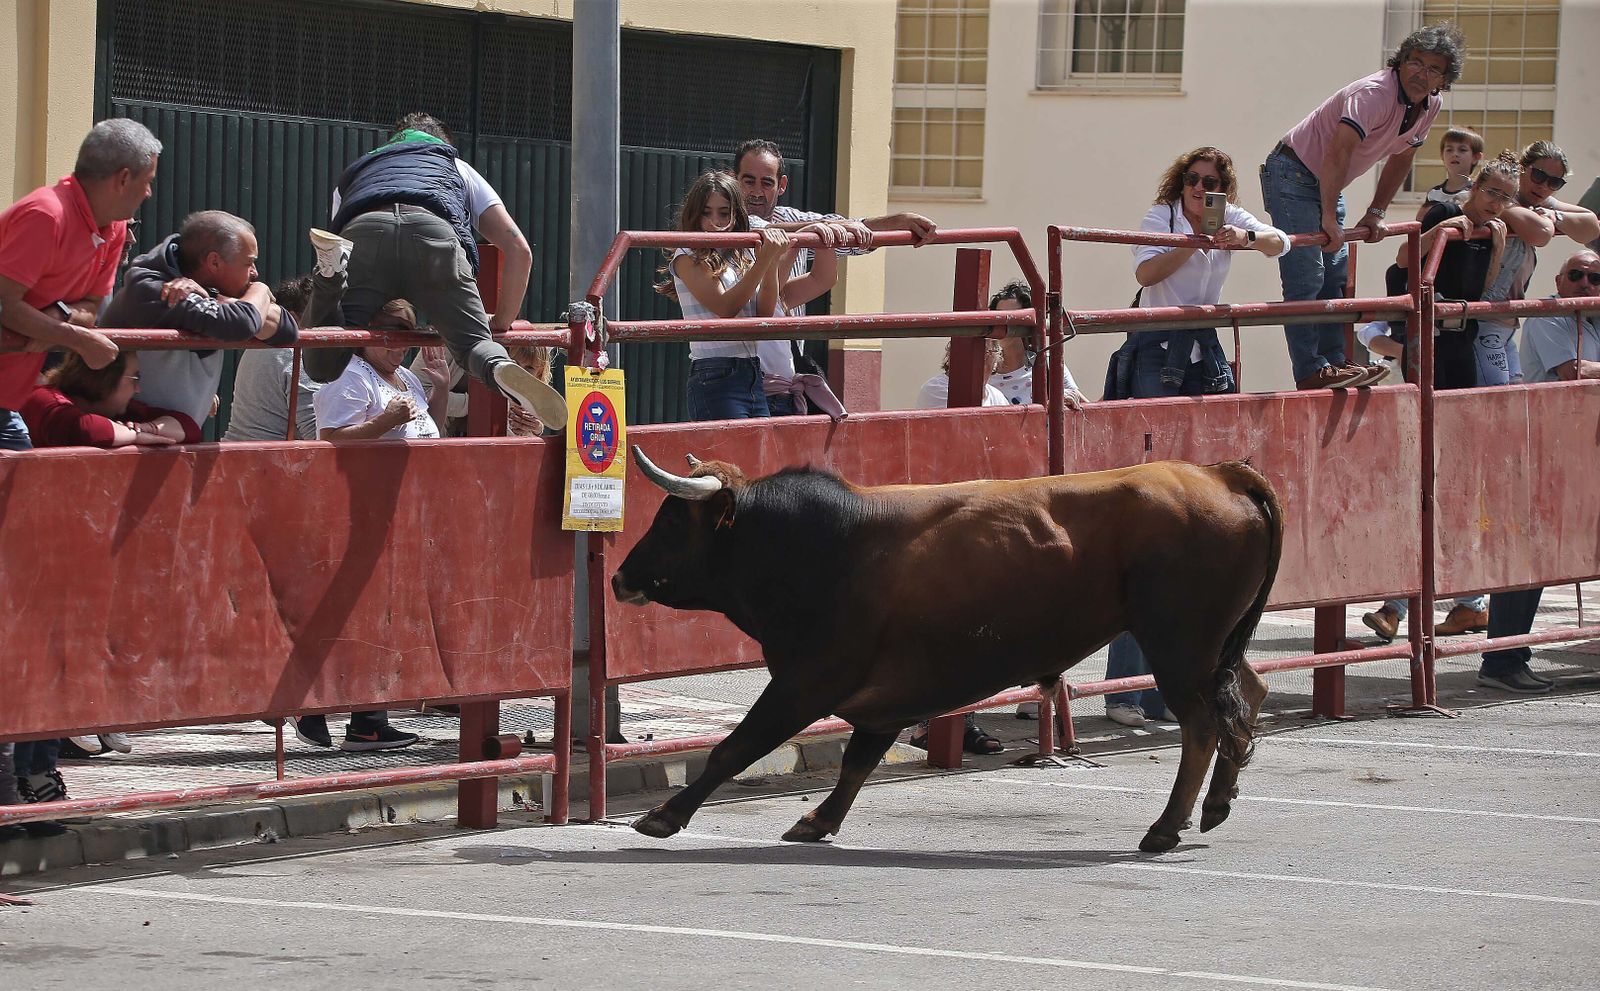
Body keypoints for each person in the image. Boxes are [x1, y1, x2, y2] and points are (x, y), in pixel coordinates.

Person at [303, 112, 566, 431]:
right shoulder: (456, 167)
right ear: (443, 144)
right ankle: (497, 364)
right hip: (435, 238)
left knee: (325, 356)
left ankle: (327, 278)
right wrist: (500, 322)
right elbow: (518, 249)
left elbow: (340, 239)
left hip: (363, 235)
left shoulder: (357, 171)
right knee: (473, 347)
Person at [1361, 159, 1519, 643]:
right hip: (1427, 344)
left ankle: (1457, 603)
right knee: (1421, 476)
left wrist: (1495, 242)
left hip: (1456, 343)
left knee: (1449, 476)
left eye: (1504, 196)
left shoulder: (1492, 227)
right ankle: (1409, 604)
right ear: (1476, 185)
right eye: (1491, 191)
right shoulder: (1443, 214)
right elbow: (1408, 266)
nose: (1496, 202)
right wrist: (1444, 232)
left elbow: (1480, 289)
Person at [1262, 23, 1464, 390]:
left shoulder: (1430, 104)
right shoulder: (1374, 93)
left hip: (1327, 181)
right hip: (1294, 172)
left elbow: (1402, 157)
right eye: (1416, 62)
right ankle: (1310, 370)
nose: (1422, 73)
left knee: (1335, 277)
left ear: (1444, 79)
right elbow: (1339, 149)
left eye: (1434, 69)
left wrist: (1376, 212)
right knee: (1306, 274)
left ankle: (1337, 363)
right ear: (1401, 62)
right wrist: (1328, 213)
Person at [735, 139, 933, 416]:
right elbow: (766, 230)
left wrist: (897, 222)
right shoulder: (728, 222)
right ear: (734, 180)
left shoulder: (793, 221)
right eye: (748, 181)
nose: (756, 191)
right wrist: (822, 230)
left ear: (781, 185)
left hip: (784, 374)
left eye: (766, 183)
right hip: (738, 374)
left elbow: (843, 240)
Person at [1477, 250, 1600, 694]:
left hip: (1583, 455)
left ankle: (1509, 657)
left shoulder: (1590, 321)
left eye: (1595, 278)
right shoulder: (1550, 316)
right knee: (1530, 557)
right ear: (1559, 279)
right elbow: (1573, 372)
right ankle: (1503, 658)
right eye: (1577, 275)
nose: (1586, 284)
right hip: (1546, 452)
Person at [0, 119, 160, 453]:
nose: (149, 193)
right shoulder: (46, 214)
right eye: (147, 182)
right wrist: (76, 338)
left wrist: (52, 322)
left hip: (8, 401)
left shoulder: (114, 228)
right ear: (124, 178)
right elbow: (5, 307)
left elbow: (91, 305)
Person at [1106, 147, 1289, 402]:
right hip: (1157, 343)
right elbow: (1145, 274)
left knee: (1212, 430)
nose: (1198, 187)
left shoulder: (1227, 214)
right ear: (1182, 183)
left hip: (1203, 345)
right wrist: (1191, 244)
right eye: (1191, 179)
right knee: (1161, 430)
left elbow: (1281, 242)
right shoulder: (1162, 215)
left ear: (1221, 189)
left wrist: (1245, 238)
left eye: (1209, 182)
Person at [658, 171, 834, 420]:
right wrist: (764, 261)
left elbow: (764, 312)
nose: (714, 222)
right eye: (706, 213)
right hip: (715, 372)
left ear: (736, 215)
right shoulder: (688, 254)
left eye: (724, 213)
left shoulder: (743, 252)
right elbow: (726, 308)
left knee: (757, 457)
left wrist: (771, 259)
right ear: (693, 215)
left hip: (752, 370)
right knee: (729, 456)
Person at [101, 210, 298, 426]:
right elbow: (241, 324)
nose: (255, 274)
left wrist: (215, 297)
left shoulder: (211, 286)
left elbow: (286, 329)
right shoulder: (156, 290)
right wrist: (260, 292)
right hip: (124, 439)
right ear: (214, 262)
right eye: (249, 263)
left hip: (167, 438)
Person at [21, 351, 200, 448]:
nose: (138, 389)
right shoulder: (43, 397)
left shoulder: (112, 407)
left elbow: (189, 427)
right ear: (105, 379)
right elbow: (86, 430)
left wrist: (146, 428)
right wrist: (137, 436)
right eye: (134, 378)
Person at [223, 275, 323, 442]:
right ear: (293, 317)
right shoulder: (295, 353)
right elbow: (317, 434)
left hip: (241, 455)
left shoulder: (259, 347)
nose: (329, 324)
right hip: (269, 461)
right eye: (320, 316)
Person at [986, 280, 1085, 411]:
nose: (1003, 324)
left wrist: (1063, 401)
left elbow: (1085, 408)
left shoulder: (1048, 364)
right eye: (999, 316)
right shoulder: (985, 369)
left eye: (1013, 317)